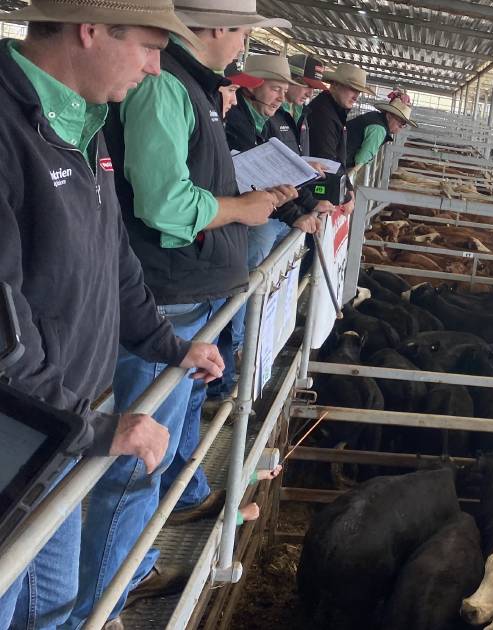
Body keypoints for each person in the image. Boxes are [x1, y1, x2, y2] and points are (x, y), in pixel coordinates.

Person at [0, 2, 227, 627]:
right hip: (18, 434)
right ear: (91, 30)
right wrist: (91, 426)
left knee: (52, 608)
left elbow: (114, 255)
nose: (157, 69)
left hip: (60, 427)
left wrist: (164, 342)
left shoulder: (85, 121)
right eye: (151, 48)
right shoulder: (8, 127)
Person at [75, 0, 293, 624]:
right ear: (219, 28)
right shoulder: (165, 89)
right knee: (135, 461)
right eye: (245, 31)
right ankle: (103, 605)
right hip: (166, 302)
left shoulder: (189, 89)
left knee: (161, 442)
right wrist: (241, 210)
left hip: (182, 301)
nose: (244, 44)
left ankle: (130, 572)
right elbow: (165, 204)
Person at [216, 54, 325, 399]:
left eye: (283, 89)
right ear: (252, 86)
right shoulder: (238, 121)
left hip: (258, 213)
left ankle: (244, 356)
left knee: (258, 281)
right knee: (249, 281)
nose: (281, 96)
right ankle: (238, 356)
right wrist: (296, 212)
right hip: (241, 220)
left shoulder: (265, 119)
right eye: (275, 88)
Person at [306, 61, 368, 168]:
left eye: (359, 91)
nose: (356, 96)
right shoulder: (324, 115)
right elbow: (326, 162)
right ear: (335, 85)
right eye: (353, 89)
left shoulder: (333, 110)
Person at [346, 89, 416, 170]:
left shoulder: (375, 116)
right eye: (400, 122)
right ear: (389, 115)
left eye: (403, 124)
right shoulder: (379, 129)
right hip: (335, 159)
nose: (401, 126)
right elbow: (362, 159)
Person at [280, 53, 326, 156]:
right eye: (306, 86)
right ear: (290, 78)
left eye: (313, 88)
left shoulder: (302, 113)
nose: (309, 94)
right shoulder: (271, 111)